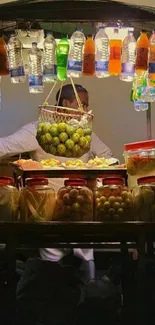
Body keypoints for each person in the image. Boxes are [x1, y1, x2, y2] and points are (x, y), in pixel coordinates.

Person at [0, 83, 117, 325]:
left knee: (87, 263)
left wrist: (98, 172)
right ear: (65, 104)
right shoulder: (39, 130)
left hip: (80, 208)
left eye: (87, 104)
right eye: (82, 104)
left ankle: (91, 310)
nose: (86, 109)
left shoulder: (85, 134)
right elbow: (4, 147)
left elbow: (110, 157)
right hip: (46, 212)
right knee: (50, 269)